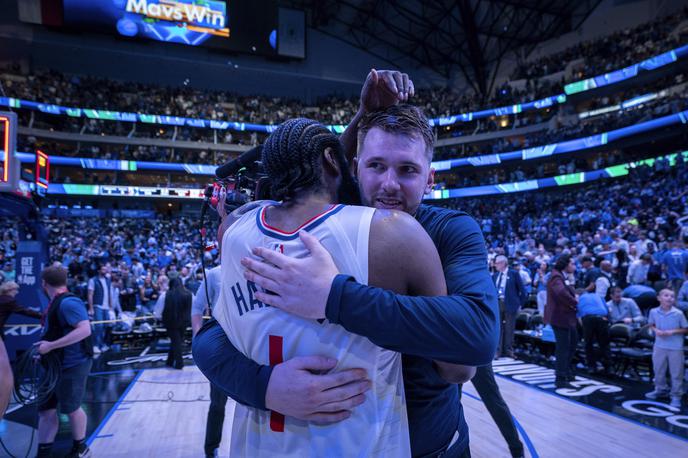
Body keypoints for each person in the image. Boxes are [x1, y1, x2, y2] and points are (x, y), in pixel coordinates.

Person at [194, 85, 498, 456]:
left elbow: (476, 340)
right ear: (354, 168)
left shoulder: (451, 229)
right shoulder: (314, 225)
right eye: (376, 166)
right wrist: (265, 386)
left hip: (434, 448)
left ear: (429, 179)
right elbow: (209, 338)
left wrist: (335, 296)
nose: (389, 183)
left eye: (407, 170)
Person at [34, 265, 93, 458]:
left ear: (44, 283)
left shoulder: (68, 303)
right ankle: (43, 452)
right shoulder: (57, 302)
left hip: (72, 364)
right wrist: (45, 353)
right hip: (53, 365)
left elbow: (85, 330)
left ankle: (81, 448)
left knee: (72, 408)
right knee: (46, 410)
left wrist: (51, 346)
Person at [190, 265, 226, 458]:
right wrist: (198, 337)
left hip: (251, 345)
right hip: (222, 347)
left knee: (254, 405)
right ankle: (211, 449)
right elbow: (197, 306)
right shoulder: (213, 274)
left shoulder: (255, 267)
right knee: (218, 403)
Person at [0, 281, 42, 418]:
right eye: (16, 290)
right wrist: (44, 316)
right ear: (11, 289)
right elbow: (25, 311)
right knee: (6, 377)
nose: (17, 292)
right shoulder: (8, 300)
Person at [645, 289, 688, 409]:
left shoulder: (678, 313)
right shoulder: (653, 312)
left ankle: (676, 395)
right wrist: (656, 330)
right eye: (666, 295)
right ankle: (660, 389)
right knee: (658, 370)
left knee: (676, 373)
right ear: (659, 298)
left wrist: (673, 331)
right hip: (659, 346)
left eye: (672, 296)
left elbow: (686, 328)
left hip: (675, 348)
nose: (670, 298)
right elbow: (651, 324)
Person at [545, 254, 578, 388]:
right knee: (563, 348)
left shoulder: (561, 276)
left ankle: (566, 372)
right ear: (565, 264)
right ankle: (560, 378)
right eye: (572, 264)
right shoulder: (556, 276)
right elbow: (561, 294)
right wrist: (575, 301)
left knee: (571, 344)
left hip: (565, 317)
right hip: (560, 317)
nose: (574, 266)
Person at [493, 256, 527, 358]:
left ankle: (509, 350)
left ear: (503, 263)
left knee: (509, 328)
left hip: (511, 304)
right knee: (498, 328)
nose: (495, 265)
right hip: (498, 303)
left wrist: (520, 304)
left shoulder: (514, 274)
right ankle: (497, 351)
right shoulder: (495, 275)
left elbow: (523, 291)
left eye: (497, 263)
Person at [159, 277, 191, 369]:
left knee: (176, 341)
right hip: (184, 322)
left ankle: (179, 363)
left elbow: (158, 311)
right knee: (176, 341)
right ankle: (169, 361)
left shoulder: (165, 295)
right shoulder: (189, 294)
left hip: (170, 322)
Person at [576, 288, 610, 373]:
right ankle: (609, 367)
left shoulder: (579, 299)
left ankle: (591, 366)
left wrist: (584, 331)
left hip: (588, 319)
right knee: (604, 344)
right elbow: (607, 310)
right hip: (602, 318)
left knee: (588, 344)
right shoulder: (598, 296)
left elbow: (579, 318)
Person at [87, 264, 111, 353]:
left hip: (106, 307)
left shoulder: (108, 280)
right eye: (103, 269)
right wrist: (91, 308)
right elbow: (90, 294)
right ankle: (95, 345)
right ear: (99, 270)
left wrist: (111, 307)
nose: (105, 271)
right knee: (99, 326)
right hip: (98, 306)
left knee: (106, 326)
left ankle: (102, 344)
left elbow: (109, 293)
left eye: (106, 269)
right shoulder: (93, 280)